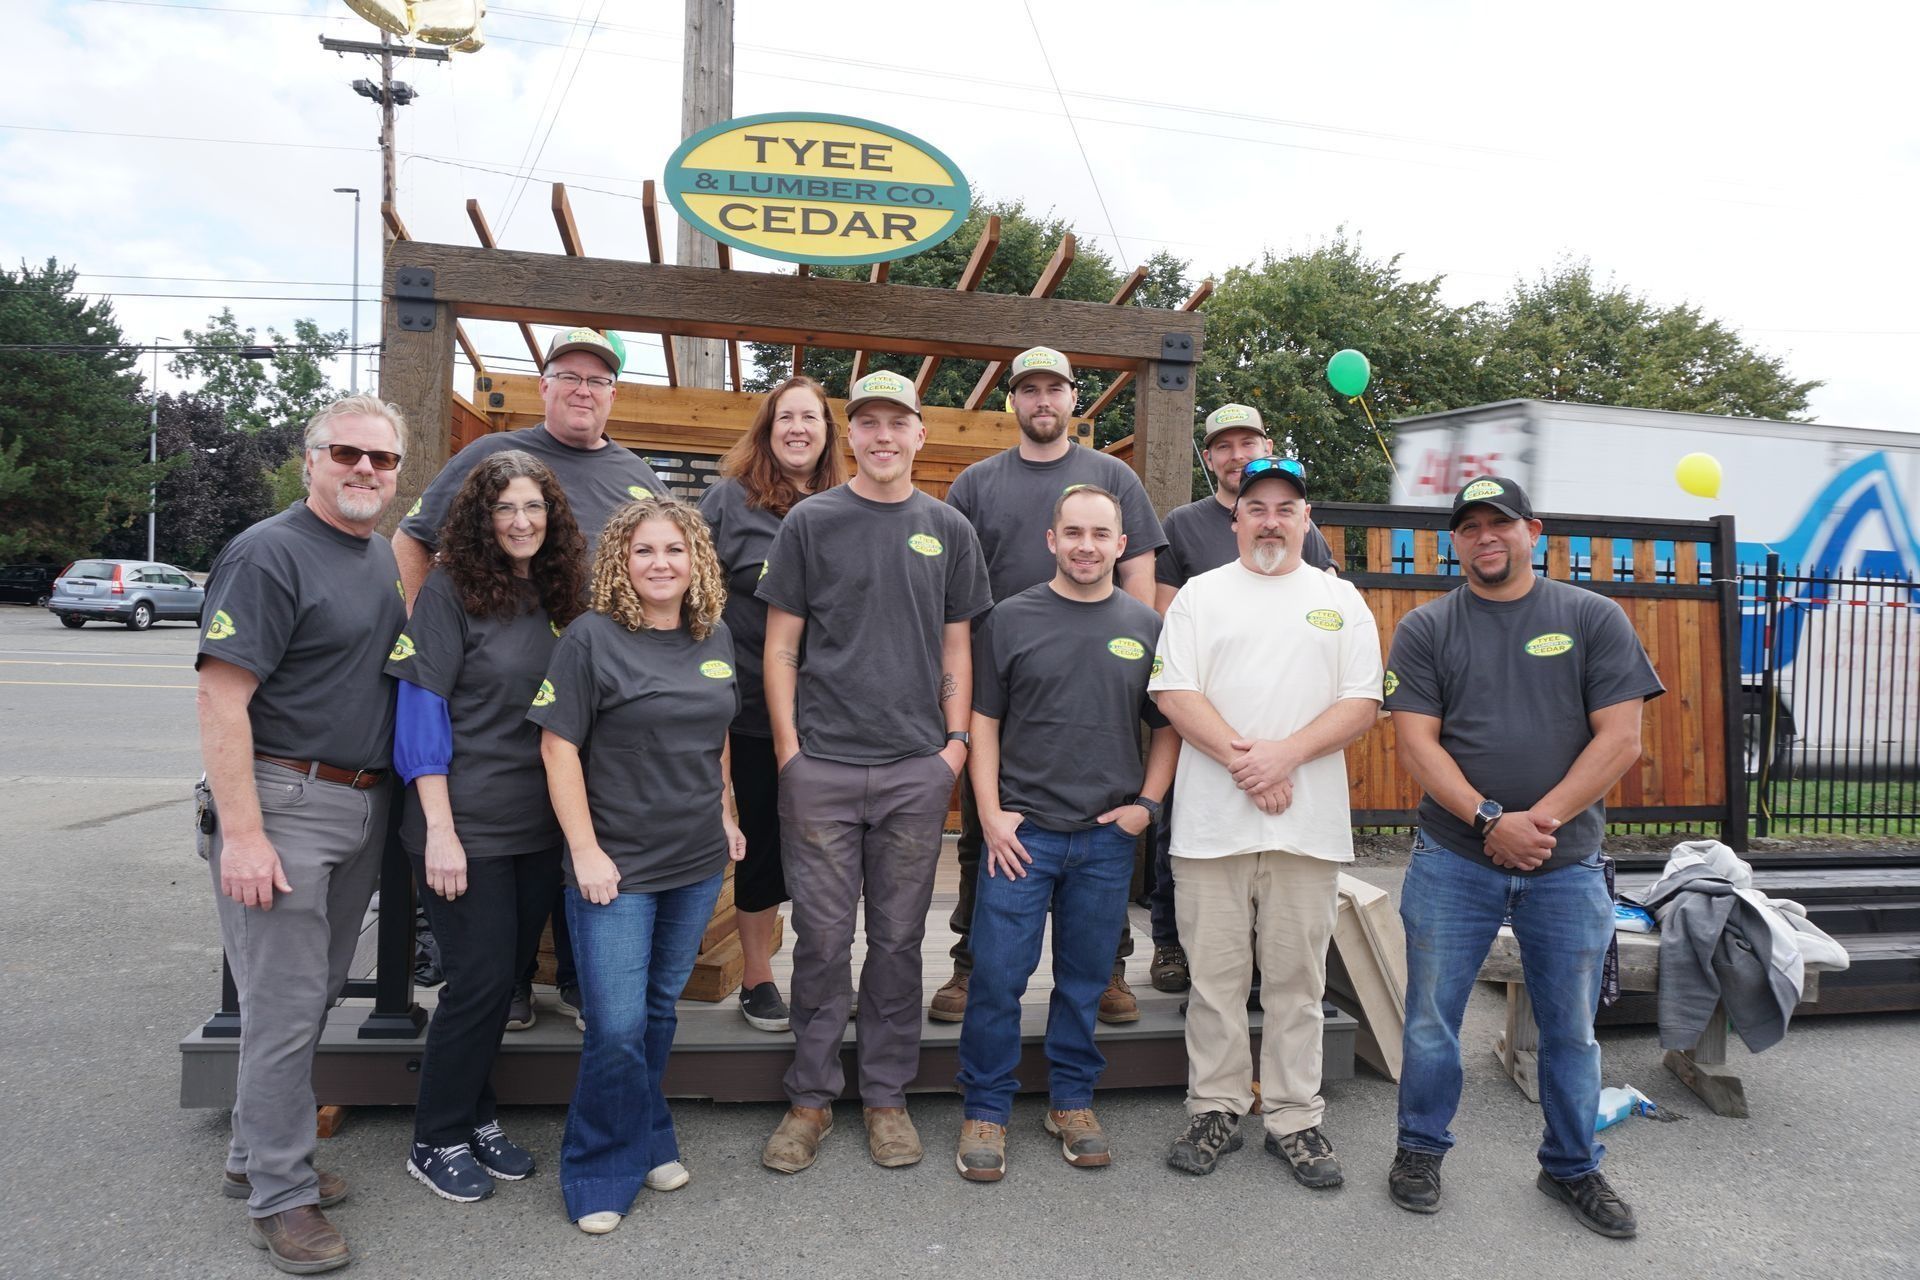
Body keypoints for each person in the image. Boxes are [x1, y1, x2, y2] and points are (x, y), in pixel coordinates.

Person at [1382, 475, 1662, 1238]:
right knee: (1432, 1020)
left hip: (1565, 864)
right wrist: (1487, 819)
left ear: (1533, 531)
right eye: (1469, 527)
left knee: (1570, 1028)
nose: (1484, 539)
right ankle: (1419, 1149)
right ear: (1455, 541)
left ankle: (1571, 1166)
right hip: (1453, 859)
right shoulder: (1427, 628)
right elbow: (1416, 741)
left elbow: (1622, 738)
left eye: (1498, 524)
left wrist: (1538, 821)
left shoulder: (1592, 617)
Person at [394, 326, 668, 1033]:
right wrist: (430, 633)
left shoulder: (636, 474)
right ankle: (507, 984)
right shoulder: (494, 455)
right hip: (499, 688)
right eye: (569, 376)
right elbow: (414, 538)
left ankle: (579, 978)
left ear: (613, 393)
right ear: (543, 385)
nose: (583, 389)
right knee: (514, 838)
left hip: (603, 693)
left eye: (597, 380)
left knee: (582, 827)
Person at [195, 395, 409, 1275]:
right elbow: (220, 696)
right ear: (310, 459)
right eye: (348, 453)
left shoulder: (375, 561)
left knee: (310, 995)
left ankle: (256, 1156)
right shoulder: (268, 552)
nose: (365, 470)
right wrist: (243, 832)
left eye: (383, 460)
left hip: (359, 802)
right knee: (284, 1010)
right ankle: (284, 1199)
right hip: (284, 802)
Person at [756, 369, 990, 1174]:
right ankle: (811, 1099)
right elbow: (780, 643)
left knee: (896, 940)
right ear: (848, 435)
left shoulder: (948, 528)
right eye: (869, 423)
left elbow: (958, 642)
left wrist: (953, 746)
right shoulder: (811, 523)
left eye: (899, 423)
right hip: (821, 764)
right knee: (821, 941)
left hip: (912, 770)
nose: (884, 436)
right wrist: (789, 751)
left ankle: (886, 1097)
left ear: (921, 434)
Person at [1148, 457, 1382, 1188]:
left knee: (1296, 981)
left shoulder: (1340, 600)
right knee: (1215, 981)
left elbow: (1361, 703)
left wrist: (1283, 756)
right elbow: (1174, 692)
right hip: (1212, 826)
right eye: (1258, 507)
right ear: (1236, 518)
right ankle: (1215, 1104)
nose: (1272, 519)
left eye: (1287, 507)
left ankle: (1294, 1116)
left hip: (1305, 830)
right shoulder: (1198, 597)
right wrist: (1250, 764)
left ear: (1306, 519)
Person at [528, 497, 747, 1235]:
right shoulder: (592, 638)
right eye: (645, 550)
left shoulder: (713, 635)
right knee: (615, 1024)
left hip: (693, 861)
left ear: (697, 562)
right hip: (615, 867)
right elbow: (557, 748)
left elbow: (713, 736)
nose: (661, 563)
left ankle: (649, 1133)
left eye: (675, 551)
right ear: (622, 560)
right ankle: (598, 1167)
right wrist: (585, 851)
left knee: (656, 1011)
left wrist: (725, 813)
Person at [935, 345, 1168, 1027]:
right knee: (987, 829)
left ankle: (1109, 972)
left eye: (1054, 389)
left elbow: (1142, 576)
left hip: (1105, 674)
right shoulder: (977, 483)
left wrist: (1141, 661)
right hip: (1004, 674)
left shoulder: (1113, 476)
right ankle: (969, 964)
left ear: (1075, 398)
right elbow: (954, 591)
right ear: (1013, 400)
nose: (1042, 401)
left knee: (1108, 827)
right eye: (1028, 390)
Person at [953, 485, 1178, 1182]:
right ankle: (986, 1107)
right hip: (1022, 838)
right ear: (1052, 541)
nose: (1086, 545)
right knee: (996, 978)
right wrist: (988, 813)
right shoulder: (1010, 619)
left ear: (1120, 545)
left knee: (1085, 980)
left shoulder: (1146, 625)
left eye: (1099, 534)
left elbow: (1167, 725)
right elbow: (982, 721)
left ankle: (1071, 1100)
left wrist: (1146, 805)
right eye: (1072, 532)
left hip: (1106, 839)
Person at [387, 450, 588, 1202]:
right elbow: (419, 709)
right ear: (480, 517)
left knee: (504, 978)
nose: (521, 521)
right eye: (505, 508)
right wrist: (438, 828)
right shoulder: (448, 591)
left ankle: (479, 1117)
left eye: (533, 507)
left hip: (535, 822)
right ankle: (435, 1134)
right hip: (461, 819)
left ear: (552, 516)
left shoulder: (558, 593)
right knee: (473, 982)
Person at [1145, 403, 1336, 995]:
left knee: (1270, 847)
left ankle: (1256, 958)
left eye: (1246, 442)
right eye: (1222, 446)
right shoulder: (1182, 523)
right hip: (1199, 712)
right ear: (1209, 459)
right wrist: (1216, 728)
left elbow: (1322, 627)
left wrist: (1274, 751)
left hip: (1282, 721)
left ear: (1265, 445)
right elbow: (1164, 612)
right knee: (1184, 830)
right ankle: (1171, 944)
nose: (1236, 454)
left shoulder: (1311, 532)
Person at [698, 375, 847, 1033]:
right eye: (785, 417)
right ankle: (758, 977)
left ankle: (828, 975)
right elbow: (691, 592)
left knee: (829, 852)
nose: (797, 429)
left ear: (827, 431)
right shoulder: (729, 502)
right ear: (767, 427)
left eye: (809, 418)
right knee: (756, 849)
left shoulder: (851, 504)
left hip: (836, 714)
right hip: (750, 712)